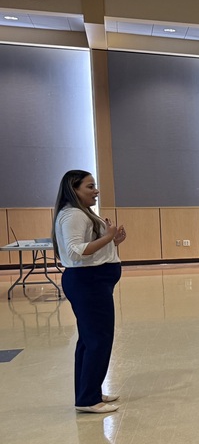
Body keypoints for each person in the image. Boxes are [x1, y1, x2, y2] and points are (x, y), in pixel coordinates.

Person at [52, 170, 127, 413]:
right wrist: (108, 238)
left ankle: (89, 391)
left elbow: (89, 249)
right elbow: (76, 251)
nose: (96, 190)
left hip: (93, 281)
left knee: (90, 340)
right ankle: (87, 400)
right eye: (89, 186)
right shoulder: (73, 214)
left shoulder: (81, 213)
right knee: (97, 340)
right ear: (74, 190)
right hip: (88, 283)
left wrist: (113, 241)